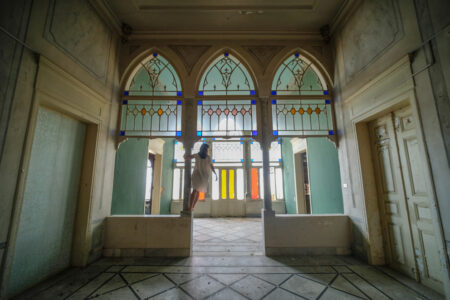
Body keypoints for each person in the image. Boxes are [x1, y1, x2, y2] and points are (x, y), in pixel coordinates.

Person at [184, 143, 217, 211]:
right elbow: (211, 166)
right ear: (205, 149)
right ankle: (191, 207)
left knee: (197, 191)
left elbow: (211, 166)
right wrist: (186, 156)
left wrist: (215, 173)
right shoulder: (204, 156)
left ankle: (192, 206)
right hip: (199, 175)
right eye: (207, 149)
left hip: (201, 176)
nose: (207, 150)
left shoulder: (202, 156)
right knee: (195, 191)